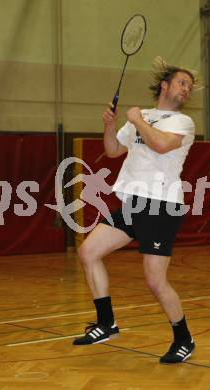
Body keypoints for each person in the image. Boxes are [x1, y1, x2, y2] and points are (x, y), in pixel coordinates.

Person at [73, 57, 197, 364]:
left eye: (189, 87)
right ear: (165, 85)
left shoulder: (182, 122)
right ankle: (106, 324)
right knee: (88, 252)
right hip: (133, 202)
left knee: (155, 280)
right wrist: (111, 125)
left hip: (161, 205)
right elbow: (113, 150)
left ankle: (184, 339)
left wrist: (138, 120)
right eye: (182, 83)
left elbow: (162, 145)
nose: (186, 90)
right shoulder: (141, 116)